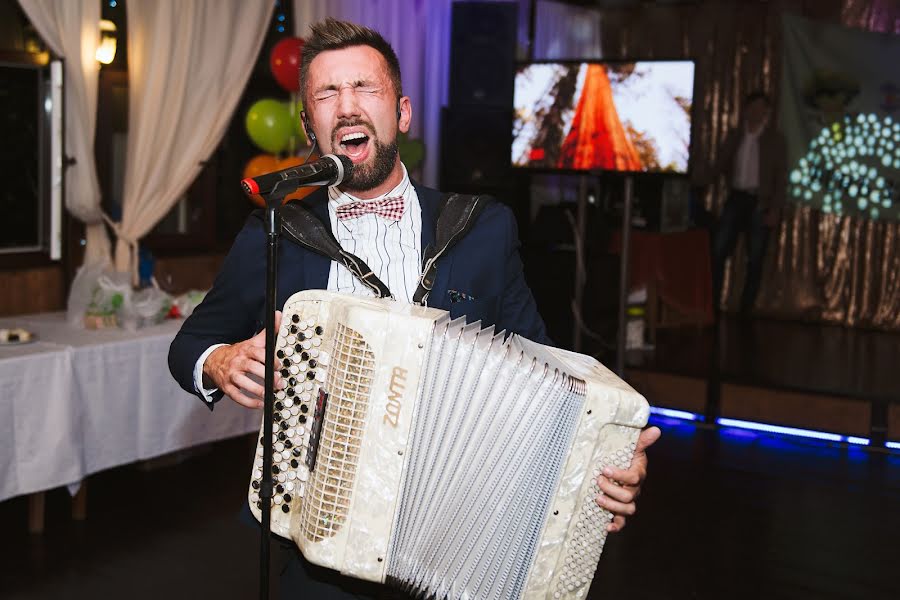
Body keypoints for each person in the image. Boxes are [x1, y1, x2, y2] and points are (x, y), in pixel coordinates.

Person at [168, 18, 660, 599]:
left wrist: (604, 459)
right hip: (322, 547)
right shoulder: (277, 233)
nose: (346, 107)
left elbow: (554, 378)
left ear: (401, 113)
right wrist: (221, 360)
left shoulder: (479, 228)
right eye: (327, 94)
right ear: (309, 127)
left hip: (465, 542)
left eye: (364, 89)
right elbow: (189, 347)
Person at [708, 92, 785, 316]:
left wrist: (775, 208)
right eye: (753, 107)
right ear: (746, 109)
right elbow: (720, 164)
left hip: (760, 201)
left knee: (756, 257)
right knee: (719, 250)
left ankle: (746, 309)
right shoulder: (735, 136)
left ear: (767, 113)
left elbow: (781, 177)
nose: (756, 112)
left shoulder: (774, 140)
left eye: (761, 108)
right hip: (736, 197)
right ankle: (712, 304)